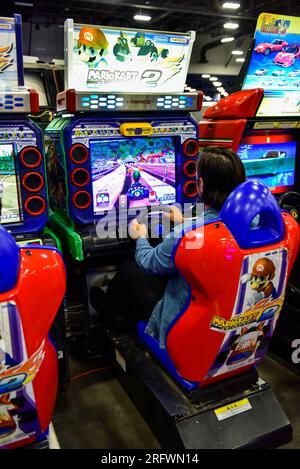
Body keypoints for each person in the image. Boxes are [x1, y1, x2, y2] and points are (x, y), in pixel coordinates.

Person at [90, 147, 246, 348]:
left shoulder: (188, 233)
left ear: (201, 185)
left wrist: (141, 236)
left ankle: (110, 314)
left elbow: (149, 261)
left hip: (183, 316)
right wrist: (184, 220)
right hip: (228, 311)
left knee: (131, 267)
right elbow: (211, 224)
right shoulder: (251, 223)